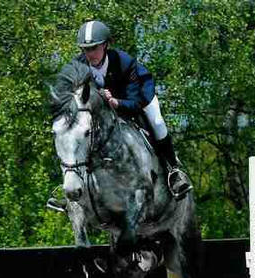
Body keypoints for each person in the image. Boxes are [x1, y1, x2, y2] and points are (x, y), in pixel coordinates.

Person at [47, 20, 192, 211]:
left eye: (94, 48)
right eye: (85, 49)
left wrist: (116, 102)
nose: (89, 54)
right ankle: (67, 188)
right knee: (72, 133)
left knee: (157, 122)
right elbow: (62, 94)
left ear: (105, 45)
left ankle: (174, 171)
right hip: (103, 109)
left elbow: (136, 103)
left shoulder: (125, 63)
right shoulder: (77, 65)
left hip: (137, 98)